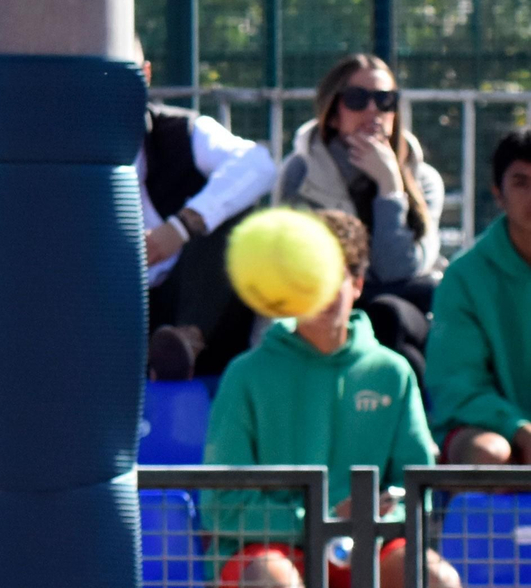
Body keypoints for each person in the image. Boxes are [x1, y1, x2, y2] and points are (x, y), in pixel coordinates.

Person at [202, 209, 463, 588]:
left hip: (367, 548)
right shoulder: (247, 374)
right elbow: (220, 504)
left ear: (358, 281)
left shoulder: (393, 373)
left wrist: (374, 516)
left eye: (332, 275)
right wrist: (320, 522)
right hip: (274, 554)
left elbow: (420, 491)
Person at [278, 53, 444, 380]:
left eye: (385, 100)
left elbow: (400, 269)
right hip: (332, 306)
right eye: (357, 99)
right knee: (389, 329)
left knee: (389, 314)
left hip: (406, 306)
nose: (373, 111)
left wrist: (390, 186)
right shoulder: (301, 172)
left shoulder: (423, 178)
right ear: (333, 113)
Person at [133, 39, 276, 380]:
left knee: (232, 213)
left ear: (146, 74)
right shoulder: (57, 154)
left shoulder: (183, 130)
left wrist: (181, 227)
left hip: (197, 309)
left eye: (125, 73)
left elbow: (259, 164)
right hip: (108, 309)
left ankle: (185, 342)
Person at [428, 128, 531, 464]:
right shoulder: (464, 277)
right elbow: (457, 386)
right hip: (496, 432)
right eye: (521, 182)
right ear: (498, 194)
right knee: (488, 453)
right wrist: (517, 427)